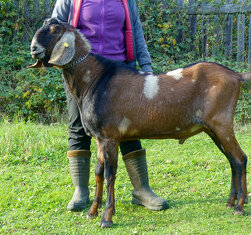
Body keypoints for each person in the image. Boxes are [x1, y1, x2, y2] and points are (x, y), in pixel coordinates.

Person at [51, 0, 169, 211]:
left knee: (130, 130)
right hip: (82, 74)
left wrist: (147, 65)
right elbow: (53, 26)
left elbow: (136, 30)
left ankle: (142, 190)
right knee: (79, 128)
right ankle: (81, 191)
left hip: (121, 75)